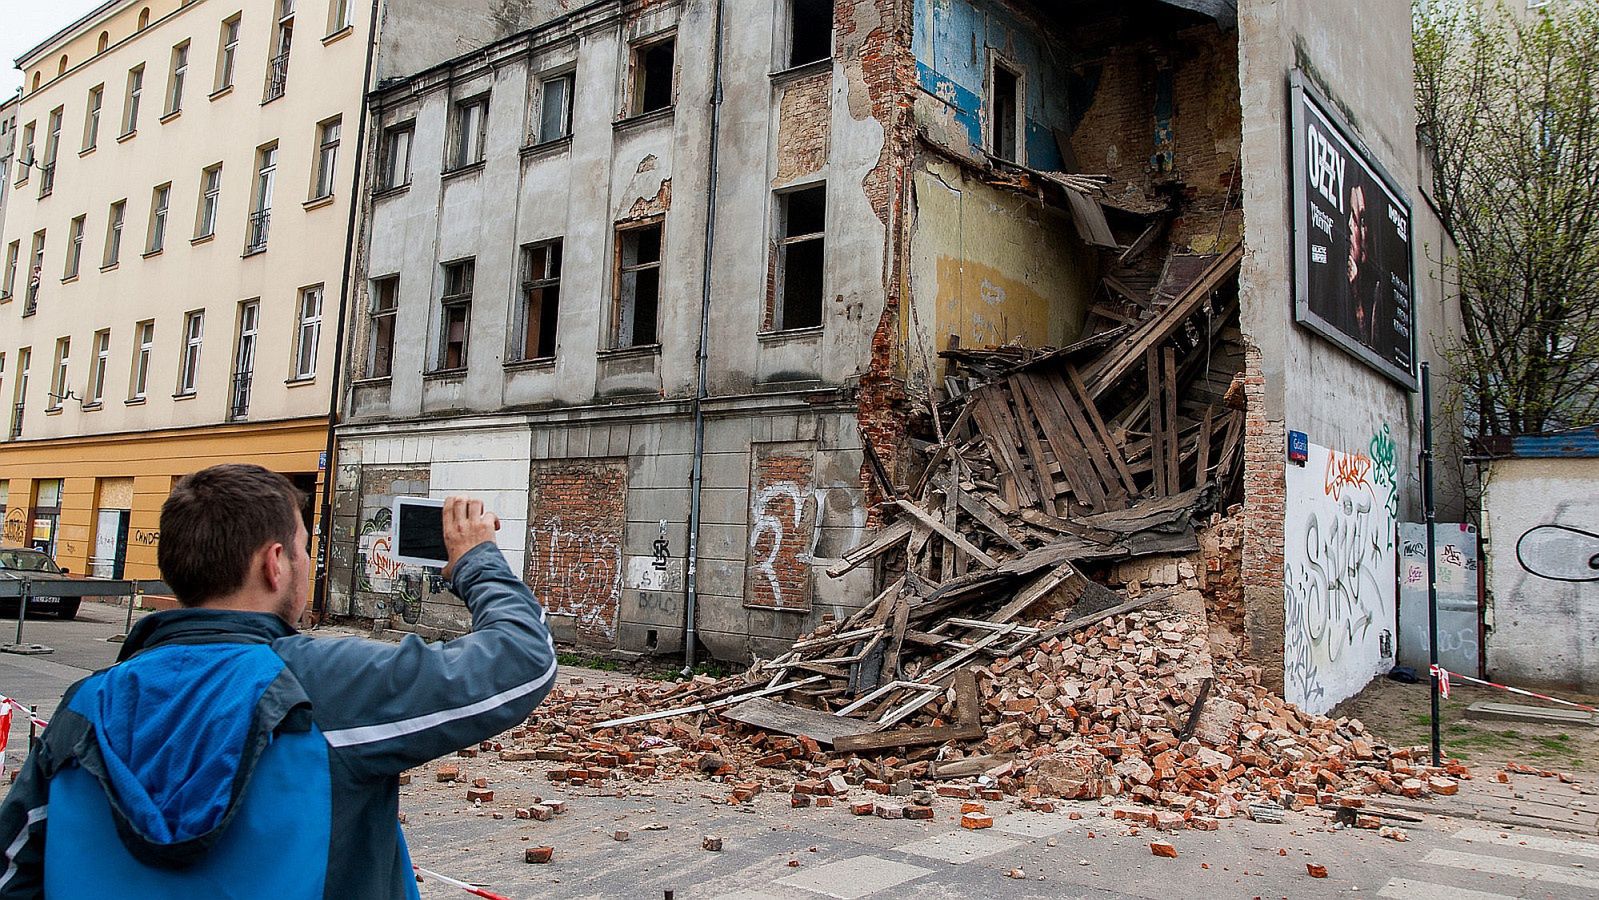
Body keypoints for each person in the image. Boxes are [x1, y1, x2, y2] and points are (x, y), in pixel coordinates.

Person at [0, 464, 556, 898]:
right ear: (275, 563)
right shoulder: (322, 687)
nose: (309, 563)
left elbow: (16, 873)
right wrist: (477, 560)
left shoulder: (83, 709)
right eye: (305, 549)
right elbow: (522, 659)